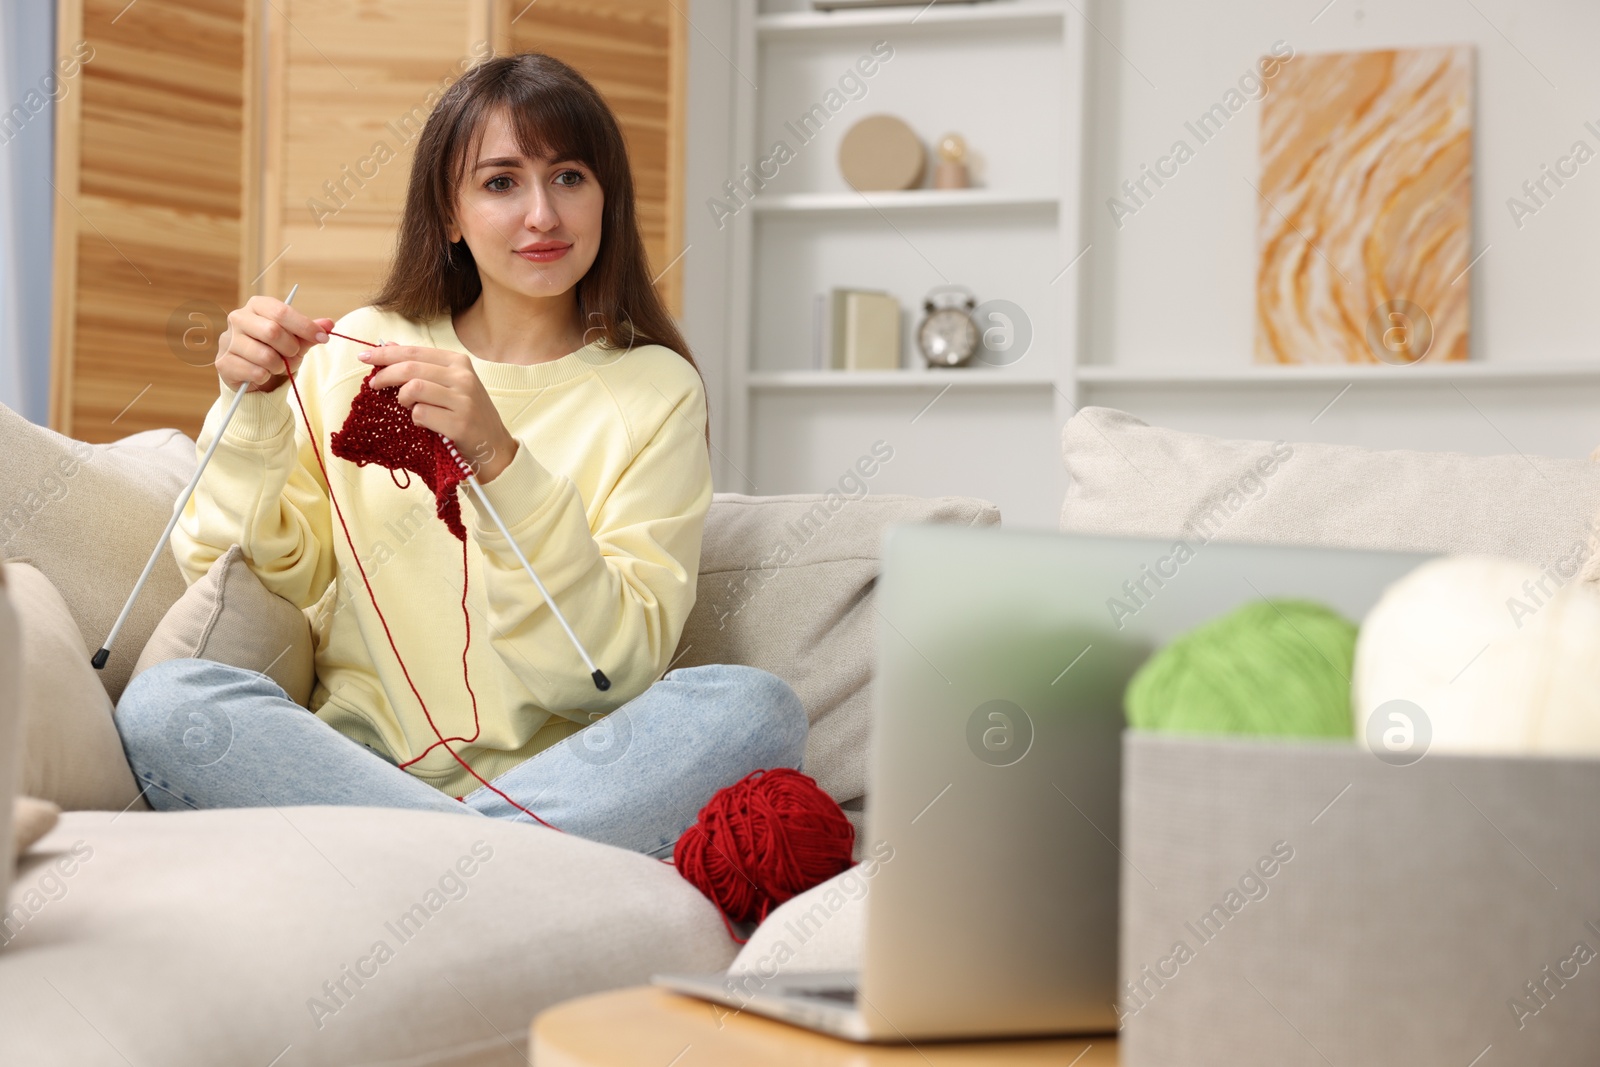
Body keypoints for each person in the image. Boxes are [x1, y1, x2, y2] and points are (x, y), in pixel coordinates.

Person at [112, 52, 807, 859]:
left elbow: (604, 675)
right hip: (358, 766)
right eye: (502, 182)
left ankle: (425, 859)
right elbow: (245, 566)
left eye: (571, 177)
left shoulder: (657, 391)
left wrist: (501, 456)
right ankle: (499, 861)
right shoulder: (358, 355)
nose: (543, 214)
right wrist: (252, 409)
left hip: (571, 774)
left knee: (755, 708)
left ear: (607, 199)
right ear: (450, 213)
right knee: (166, 703)